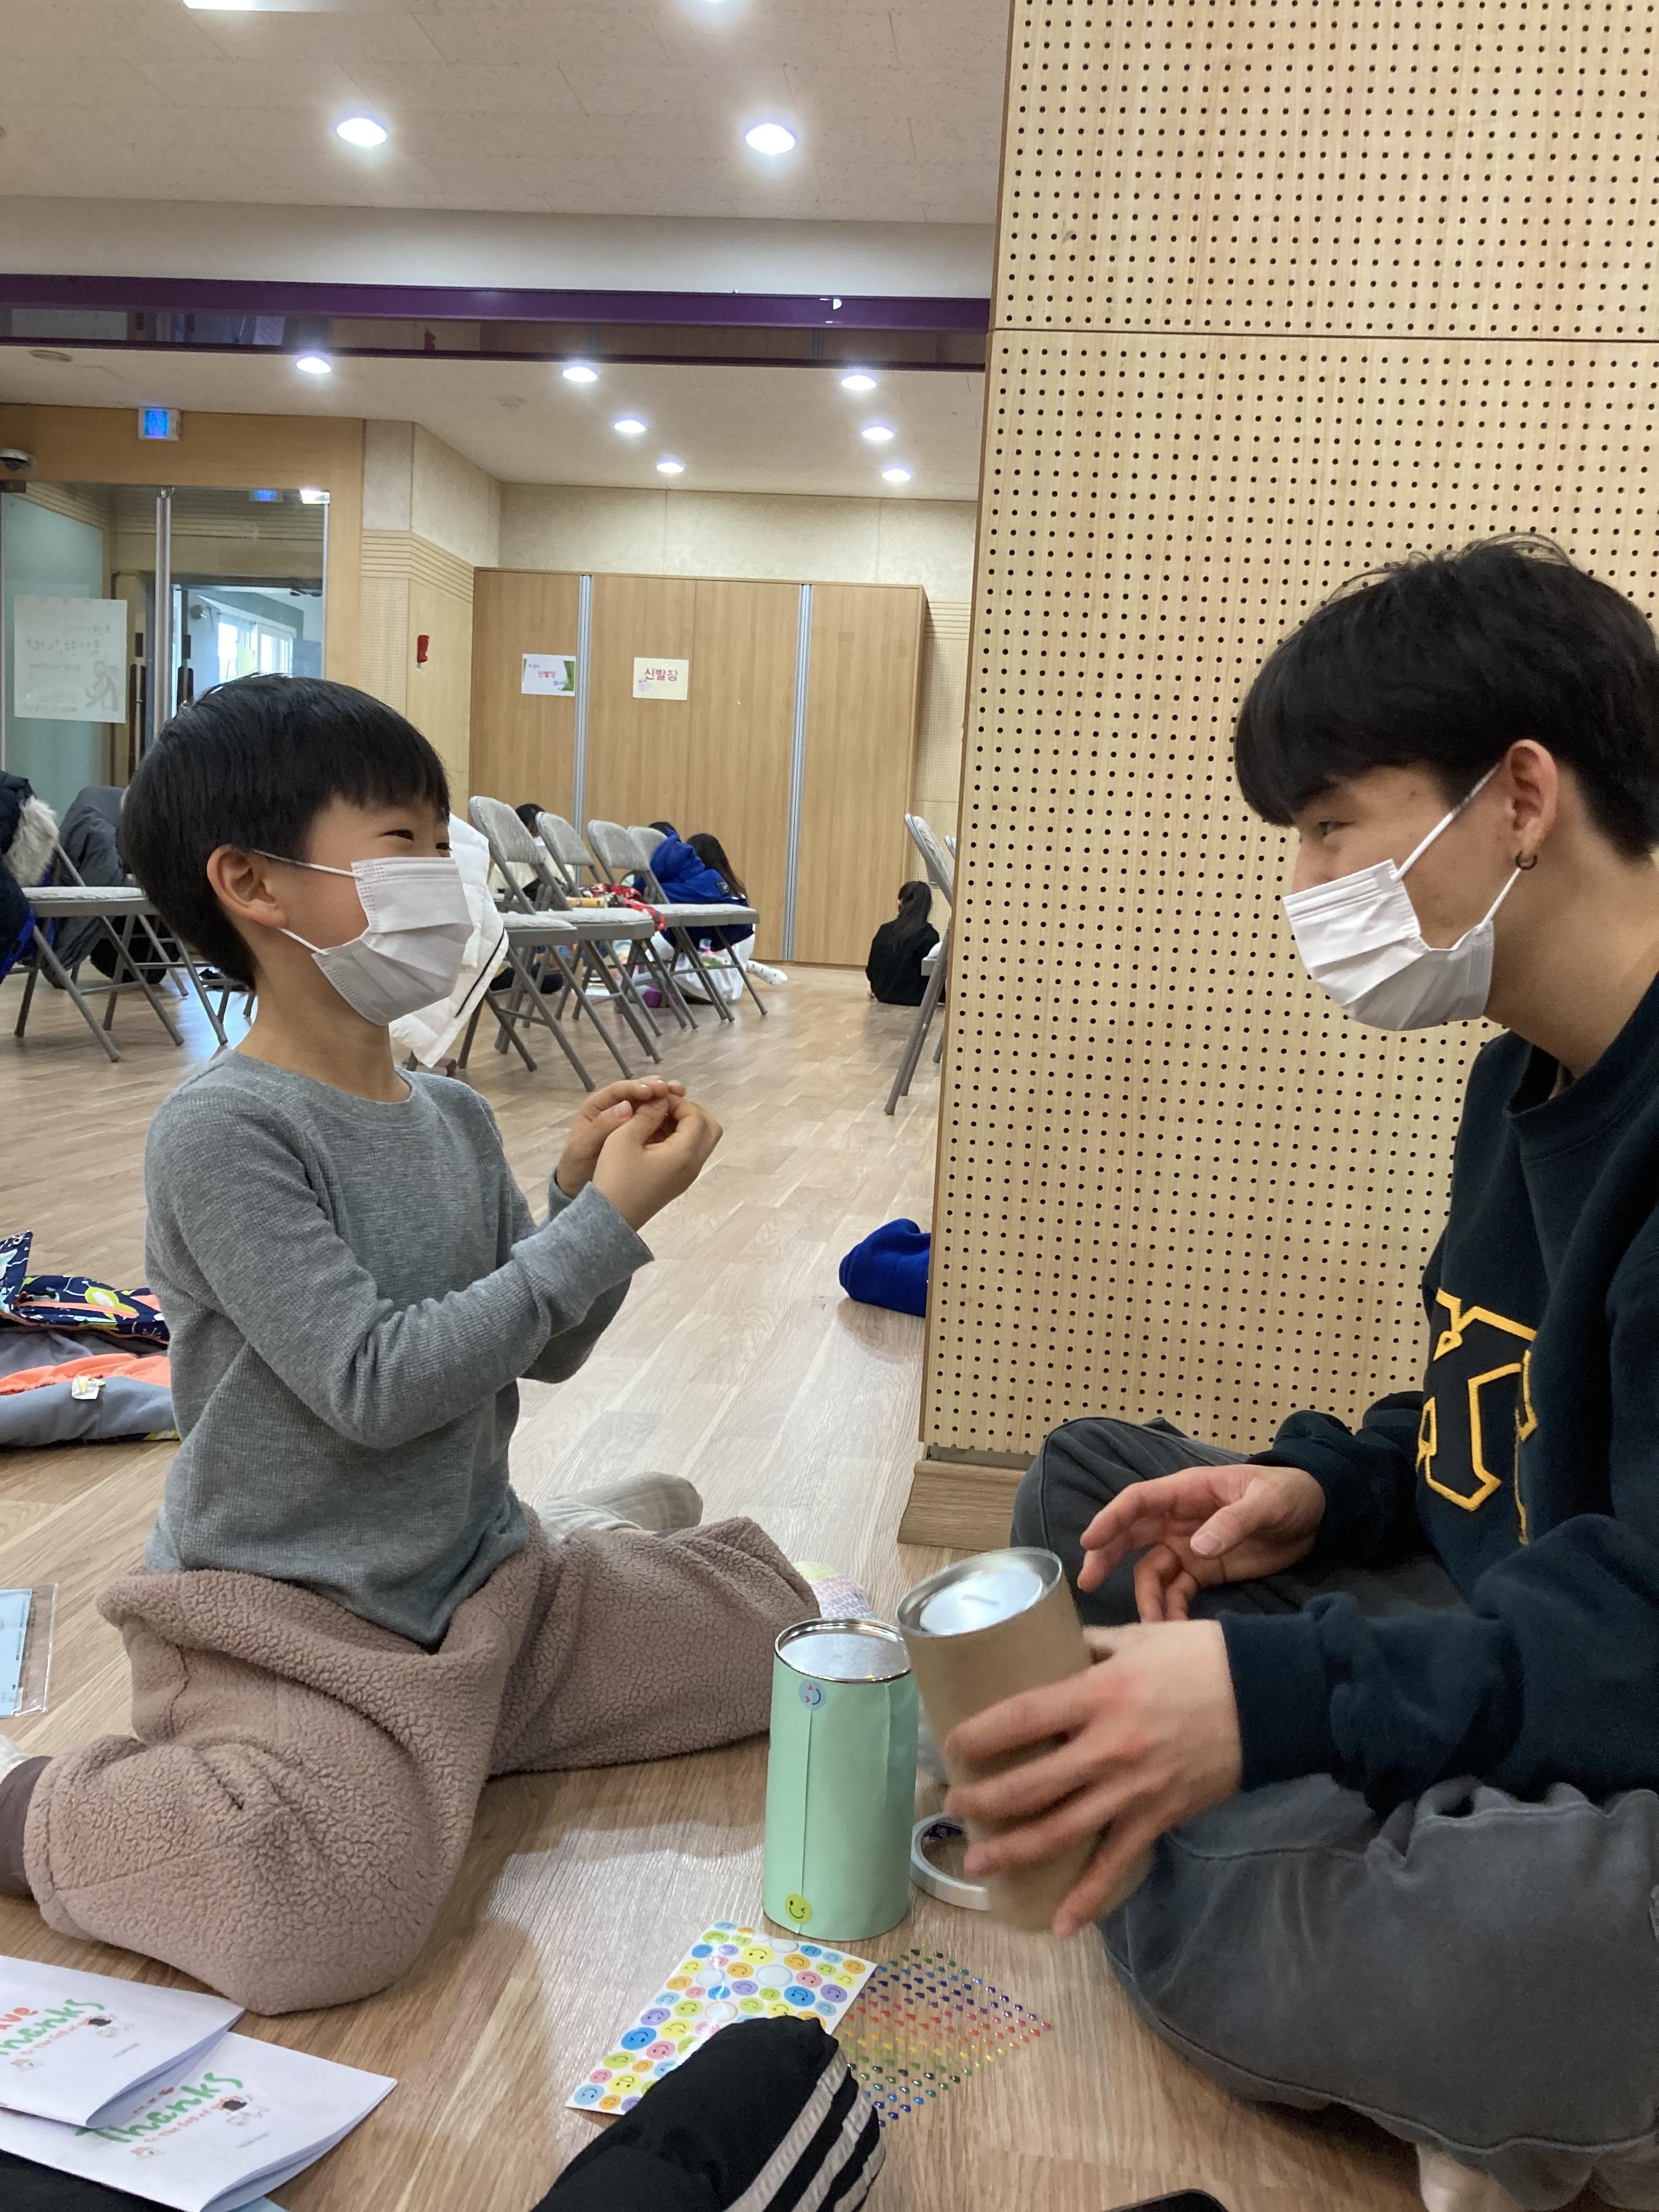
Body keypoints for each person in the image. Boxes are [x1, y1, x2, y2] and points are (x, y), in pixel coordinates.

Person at [949, 540, 1659, 2212]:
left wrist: (1282, 1701)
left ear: (1522, 796)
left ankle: (1141, 1820)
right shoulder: (1527, 1074)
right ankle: (1195, 1822)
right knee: (1094, 1487)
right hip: (1511, 1627)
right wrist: (1321, 1488)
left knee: (1516, 1935)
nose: (1306, 884)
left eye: (1334, 825)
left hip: (1619, 1693)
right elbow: (1498, 1404)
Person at [0, 675, 813, 2015]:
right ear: (252, 884)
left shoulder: (448, 1115)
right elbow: (375, 1387)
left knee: (784, 1640)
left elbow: (541, 1353)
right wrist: (601, 1225)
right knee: (329, 1913)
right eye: (405, 845)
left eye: (445, 844)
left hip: (483, 1585)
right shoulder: (225, 1130)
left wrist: (576, 1203)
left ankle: (472, 1689)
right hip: (294, 1620)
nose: (448, 878)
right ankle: (35, 1808)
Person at [866, 880, 939, 1006]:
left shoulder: (884, 930)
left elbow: (872, 967)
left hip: (882, 993)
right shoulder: (930, 935)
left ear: (900, 902)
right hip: (916, 997)